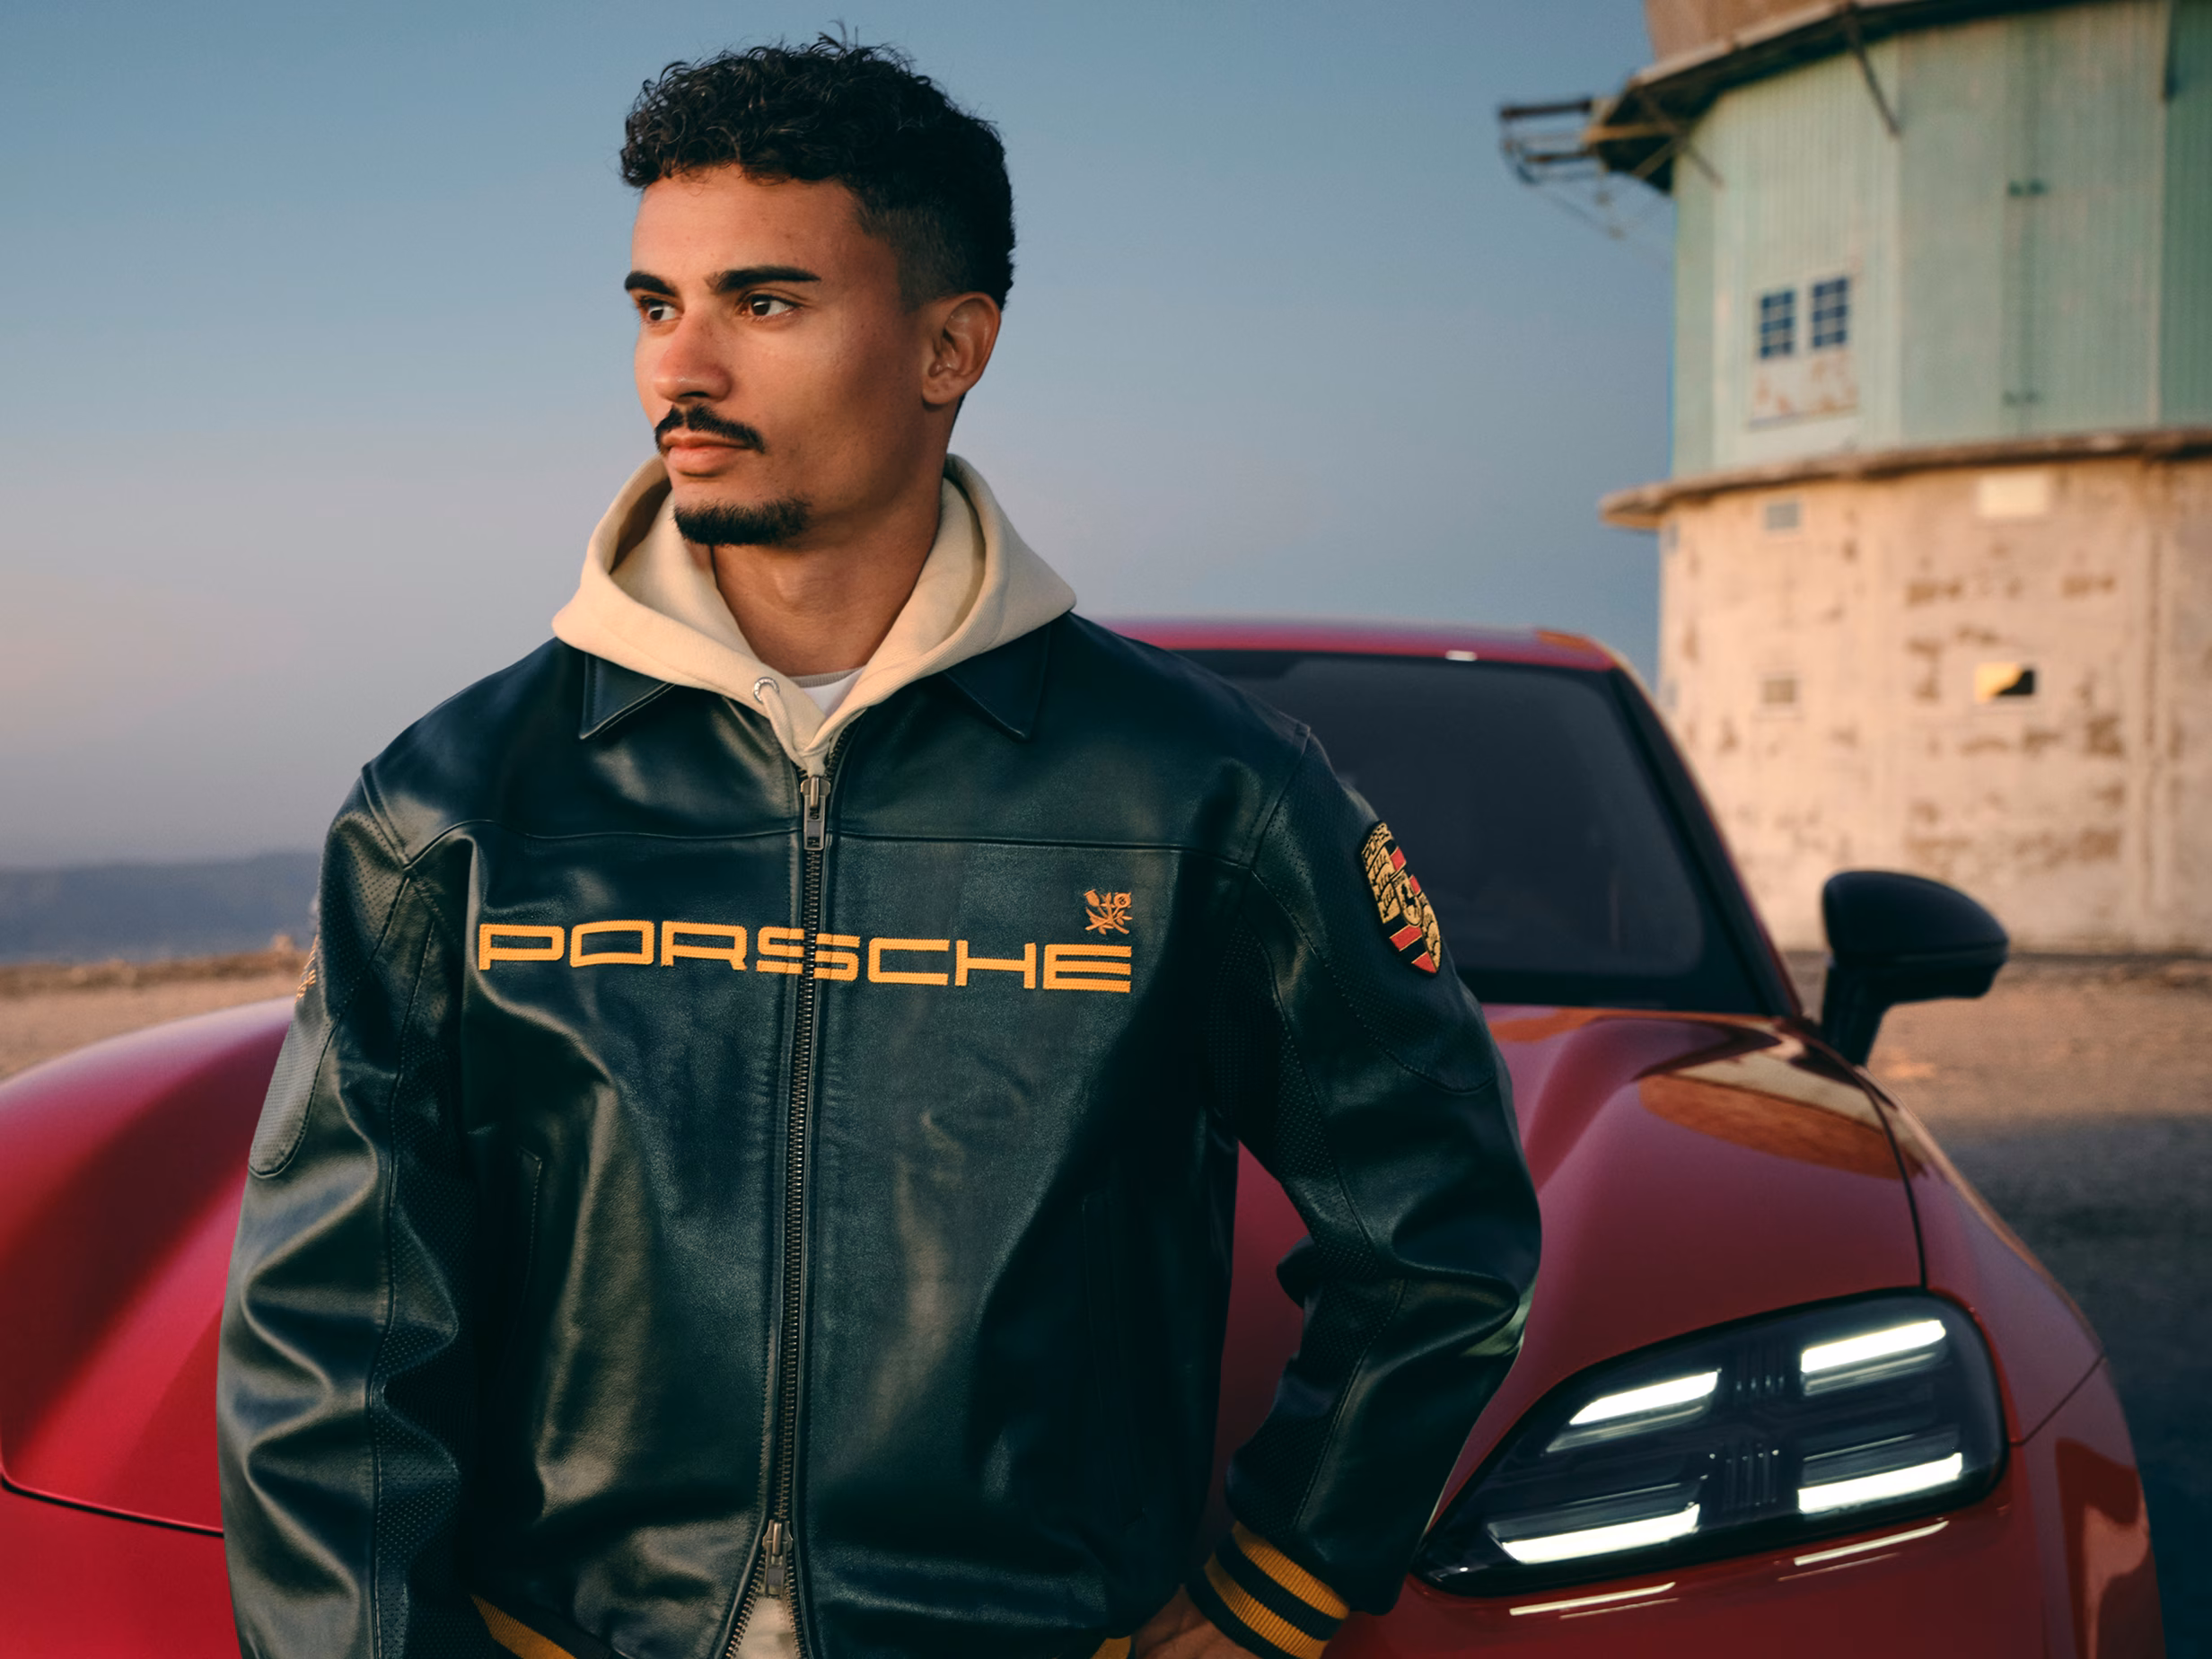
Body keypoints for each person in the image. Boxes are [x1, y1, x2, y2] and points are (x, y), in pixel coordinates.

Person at [217, 38, 1540, 1659]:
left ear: (948, 345)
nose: (679, 368)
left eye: (763, 303)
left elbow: (1439, 1232)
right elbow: (333, 1331)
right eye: (654, 304)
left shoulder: (1201, 796)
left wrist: (1282, 1586)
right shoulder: (458, 802)